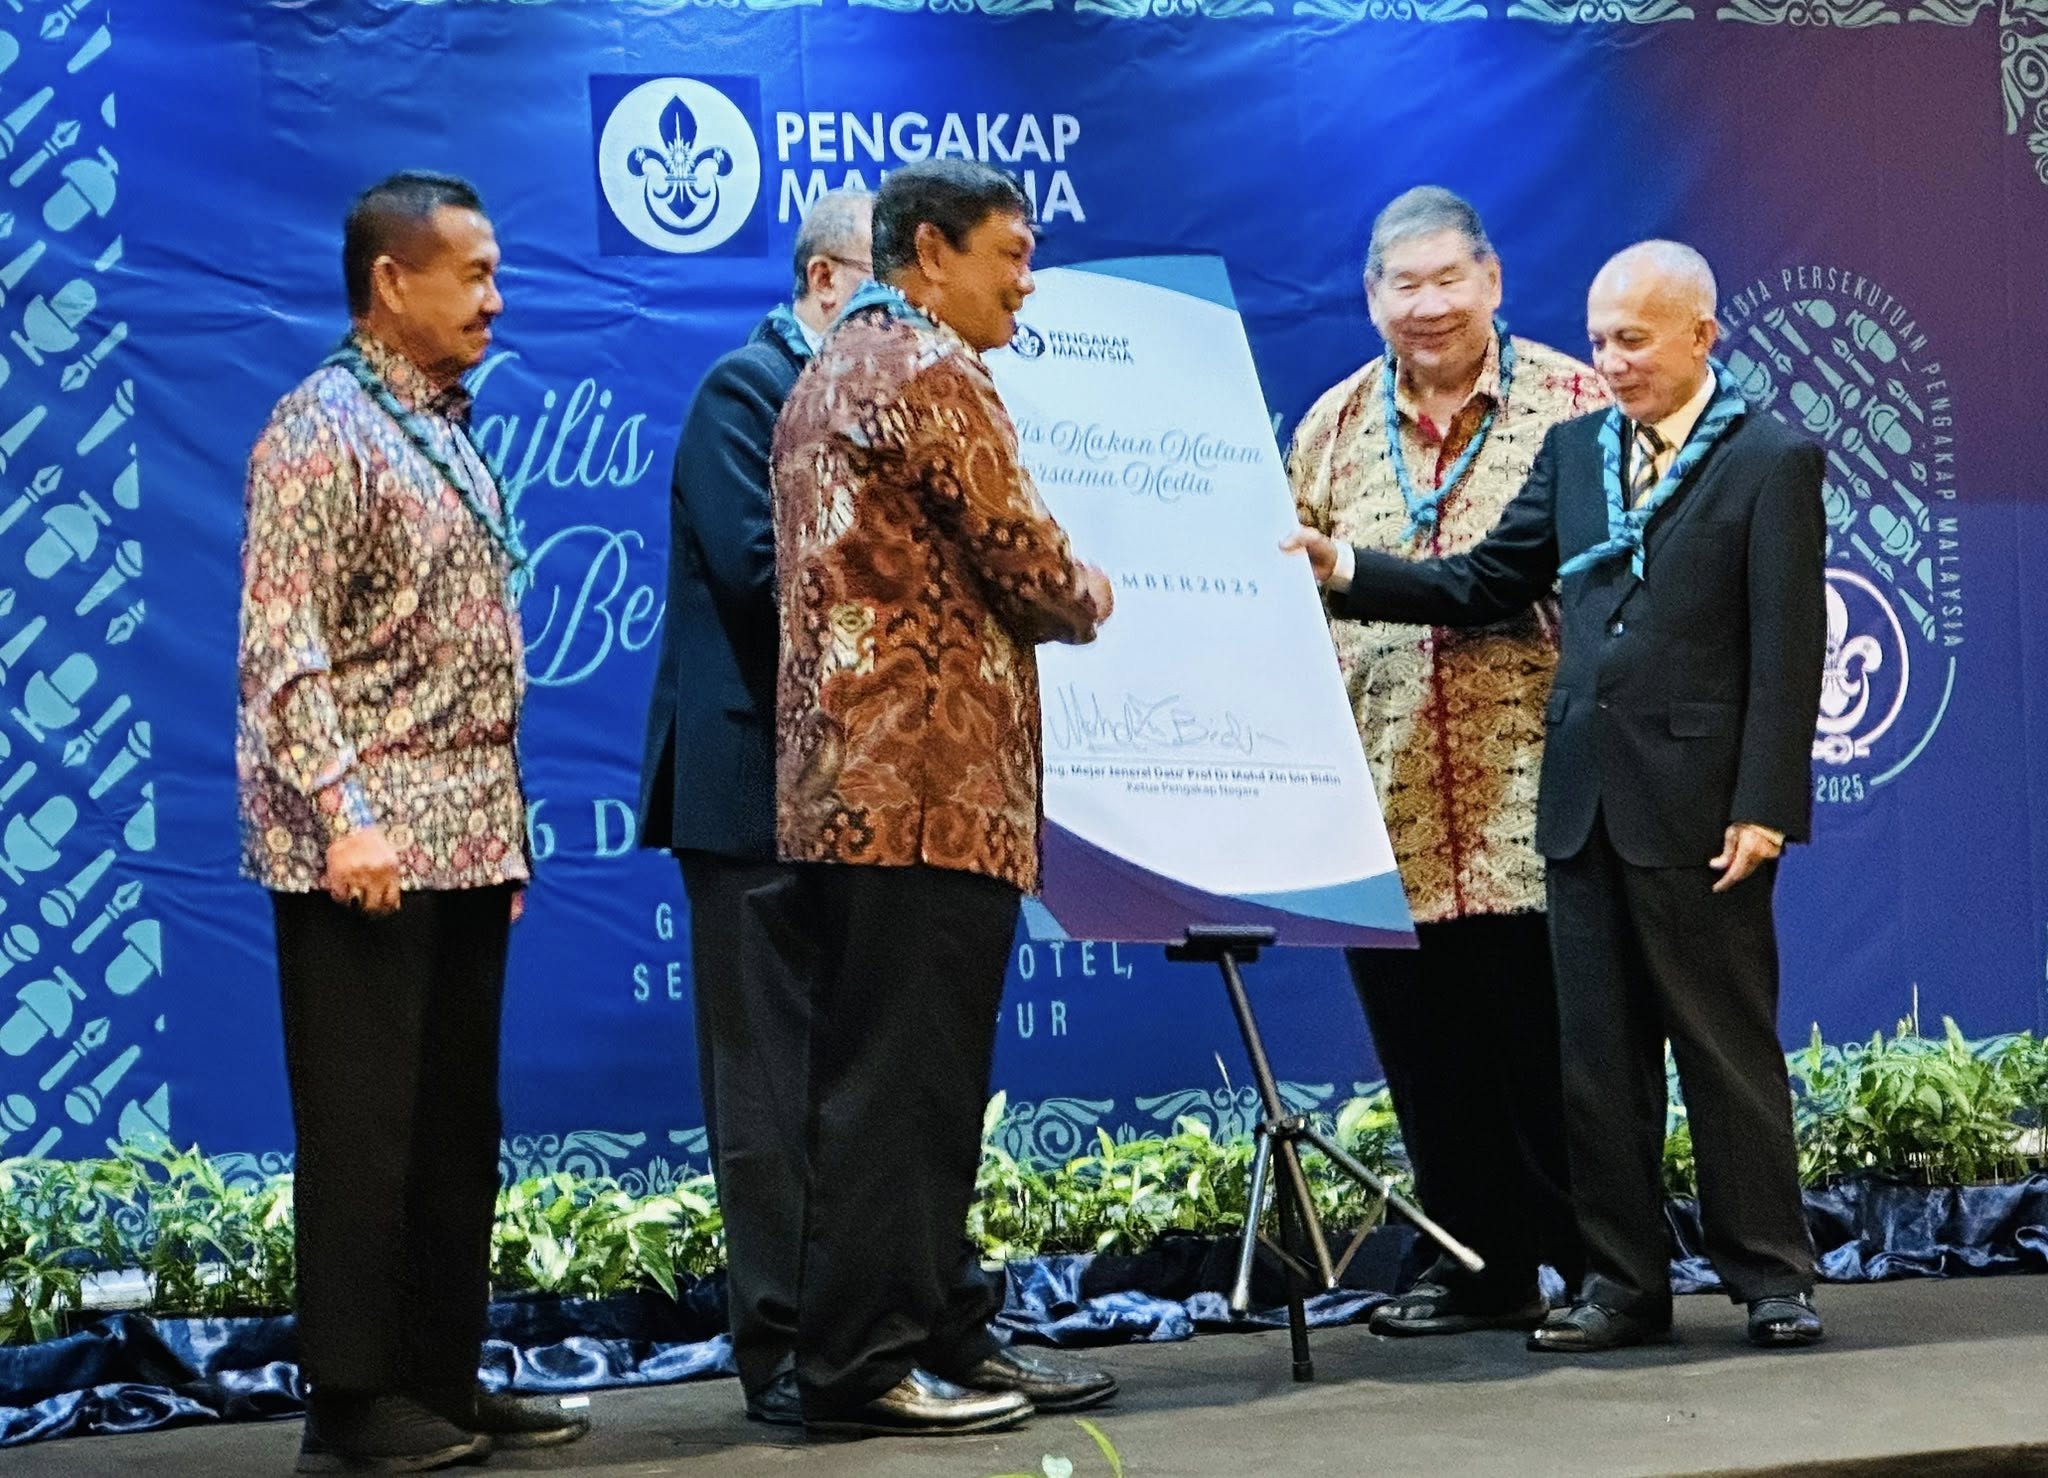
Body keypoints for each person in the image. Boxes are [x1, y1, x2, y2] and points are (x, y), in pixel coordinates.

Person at [1284, 240, 1827, 1353]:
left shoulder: (1769, 458)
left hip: (1700, 807)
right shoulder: (1577, 450)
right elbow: (1486, 579)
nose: (1612, 362)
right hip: (1577, 801)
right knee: (1597, 1067)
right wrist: (1346, 568)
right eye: (1599, 341)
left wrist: (1765, 803)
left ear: (1701, 337)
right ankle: (1622, 1286)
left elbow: (1787, 647)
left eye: (1634, 341)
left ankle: (1771, 1277)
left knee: (1723, 1051)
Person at [238, 170, 589, 1472]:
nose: (497, 299)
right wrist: (346, 816)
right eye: (474, 273)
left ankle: (439, 1374)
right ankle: (350, 1405)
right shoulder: (318, 428)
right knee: (366, 1133)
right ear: (392, 281)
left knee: (452, 1131)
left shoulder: (439, 425)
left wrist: (500, 835)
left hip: (464, 838)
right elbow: (284, 651)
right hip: (365, 849)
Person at [765, 158, 1119, 1436]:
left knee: (900, 1081)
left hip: (855, 785)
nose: (1026, 282)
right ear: (929, 252)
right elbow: (1027, 561)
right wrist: (1090, 589)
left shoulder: (833, 363)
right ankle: (864, 1361)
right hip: (924, 786)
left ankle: (941, 1327)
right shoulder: (927, 366)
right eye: (1009, 254)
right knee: (901, 1090)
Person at [1287, 186, 1600, 1336]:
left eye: (1446, 279)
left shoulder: (1575, 404)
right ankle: (1477, 1265)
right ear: (1371, 297)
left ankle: (1598, 1267)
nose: (1426, 305)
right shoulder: (1326, 428)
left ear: (1492, 280)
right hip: (1388, 794)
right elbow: (1284, 604)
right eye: (1402, 285)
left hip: (1539, 794)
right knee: (1427, 1057)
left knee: (1553, 1046)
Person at [635, 187, 872, 1427]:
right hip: (747, 793)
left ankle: (863, 1331)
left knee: (852, 1078)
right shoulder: (746, 390)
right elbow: (762, 570)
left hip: (852, 790)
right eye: (884, 291)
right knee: (767, 1090)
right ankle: (777, 1345)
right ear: (826, 281)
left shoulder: (880, 399)